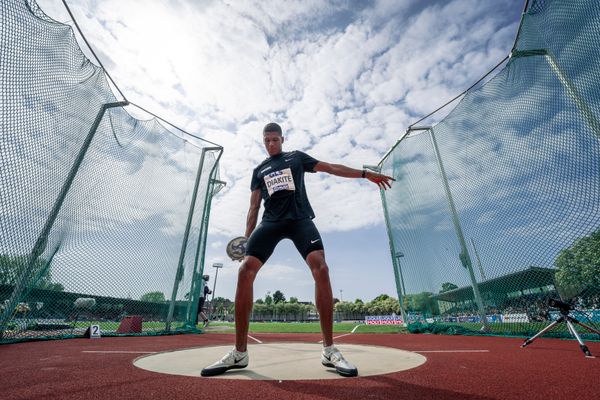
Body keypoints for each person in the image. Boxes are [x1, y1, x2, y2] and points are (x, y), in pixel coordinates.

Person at [201, 122, 394, 377]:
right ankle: (239, 353)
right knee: (245, 270)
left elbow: (330, 167)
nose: (271, 144)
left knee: (321, 268)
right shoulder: (259, 170)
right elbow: (253, 207)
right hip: (270, 223)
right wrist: (246, 240)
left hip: (300, 220)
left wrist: (364, 173)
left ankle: (329, 350)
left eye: (275, 139)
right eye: (267, 140)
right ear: (263, 142)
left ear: (282, 139)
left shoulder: (296, 158)